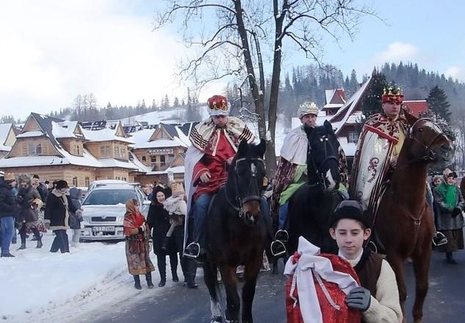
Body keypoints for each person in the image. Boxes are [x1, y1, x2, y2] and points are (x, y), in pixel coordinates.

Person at [183, 94, 284, 259]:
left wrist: (237, 161)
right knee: (201, 204)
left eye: (223, 115)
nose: (220, 119)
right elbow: (193, 160)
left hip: (238, 182)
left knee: (262, 202)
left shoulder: (238, 128)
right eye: (217, 116)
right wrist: (201, 171)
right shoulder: (203, 132)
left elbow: (252, 155)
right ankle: (198, 243)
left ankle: (270, 241)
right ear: (212, 116)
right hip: (211, 182)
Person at [350, 86, 446, 247]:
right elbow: (370, 155)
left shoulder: (407, 124)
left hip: (407, 175)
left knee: (427, 192)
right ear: (383, 104)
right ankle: (369, 234)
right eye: (391, 102)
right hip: (383, 173)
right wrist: (388, 163)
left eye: (398, 103)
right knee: (367, 196)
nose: (395, 106)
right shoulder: (374, 124)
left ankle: (433, 231)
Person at [271, 101, 349, 241]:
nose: (310, 119)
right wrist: (302, 170)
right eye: (307, 116)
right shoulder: (294, 137)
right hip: (300, 182)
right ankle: (282, 231)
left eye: (313, 116)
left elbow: (338, 158)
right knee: (285, 199)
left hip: (327, 178)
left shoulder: (324, 134)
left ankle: (350, 227)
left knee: (345, 195)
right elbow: (286, 166)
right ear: (301, 118)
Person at [432, 169, 465, 264]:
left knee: (455, 236)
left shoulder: (456, 189)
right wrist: (451, 209)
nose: (451, 180)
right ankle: (449, 254)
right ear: (445, 179)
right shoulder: (438, 190)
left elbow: (462, 200)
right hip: (445, 218)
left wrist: (458, 208)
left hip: (456, 217)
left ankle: (451, 253)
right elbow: (439, 202)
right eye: (449, 178)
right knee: (448, 237)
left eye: (452, 178)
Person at [123, 198, 155, 289]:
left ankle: (149, 281)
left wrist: (147, 235)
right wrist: (140, 229)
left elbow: (146, 226)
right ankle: (137, 283)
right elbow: (129, 230)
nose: (137, 207)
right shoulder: (128, 217)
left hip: (142, 243)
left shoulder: (141, 215)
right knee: (134, 262)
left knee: (146, 261)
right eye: (135, 205)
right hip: (133, 244)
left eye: (138, 205)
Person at [147, 185, 173, 287]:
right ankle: (163, 279)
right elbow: (149, 222)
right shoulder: (153, 207)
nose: (161, 198)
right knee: (161, 258)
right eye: (159, 196)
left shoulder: (170, 205)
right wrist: (147, 233)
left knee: (173, 255)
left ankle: (174, 275)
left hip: (170, 235)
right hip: (158, 236)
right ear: (156, 197)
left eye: (162, 195)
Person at [45, 180, 76, 254]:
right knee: (61, 235)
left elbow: (70, 206)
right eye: (63, 188)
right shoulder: (52, 196)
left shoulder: (66, 195)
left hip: (64, 218)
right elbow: (48, 208)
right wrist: (47, 220)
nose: (65, 189)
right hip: (55, 219)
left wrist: (77, 211)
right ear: (59, 188)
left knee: (61, 235)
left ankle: (53, 250)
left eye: (65, 188)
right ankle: (65, 251)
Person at [16, 174, 43, 250]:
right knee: (22, 228)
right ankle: (23, 243)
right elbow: (16, 199)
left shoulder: (32, 190)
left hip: (30, 210)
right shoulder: (19, 190)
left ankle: (39, 241)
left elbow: (39, 199)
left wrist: (34, 205)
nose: (23, 183)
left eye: (24, 182)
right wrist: (18, 200)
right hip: (21, 210)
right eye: (21, 182)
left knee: (33, 227)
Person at [0, 174, 20, 257]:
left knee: (8, 232)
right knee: (8, 232)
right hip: (6, 214)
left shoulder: (7, 190)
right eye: (14, 181)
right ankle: (5, 251)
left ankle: (5, 250)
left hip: (8, 214)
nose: (15, 183)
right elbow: (0, 202)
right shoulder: (4, 190)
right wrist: (11, 208)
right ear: (10, 182)